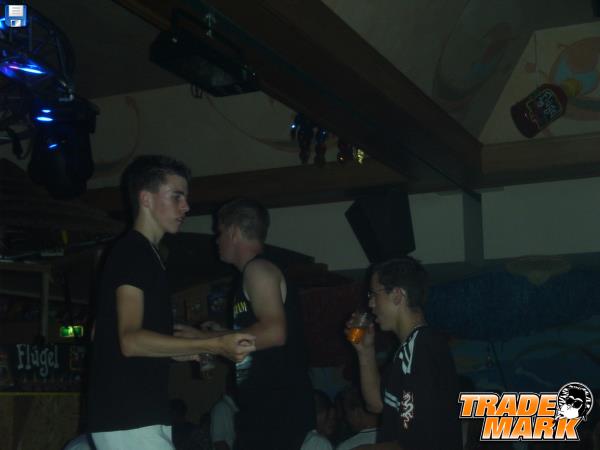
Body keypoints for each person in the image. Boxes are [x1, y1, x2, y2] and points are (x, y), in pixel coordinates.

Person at [86, 156, 255, 450]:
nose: (186, 206)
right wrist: (213, 344)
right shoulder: (134, 252)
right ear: (146, 199)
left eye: (185, 198)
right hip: (129, 417)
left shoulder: (144, 254)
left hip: (132, 417)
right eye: (177, 196)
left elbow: (102, 334)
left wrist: (183, 350)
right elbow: (130, 341)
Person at [177, 198, 315, 449]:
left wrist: (204, 339)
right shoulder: (249, 276)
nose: (216, 240)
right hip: (266, 410)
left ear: (233, 231)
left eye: (219, 232)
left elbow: (274, 333)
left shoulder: (258, 269)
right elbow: (257, 338)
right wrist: (222, 334)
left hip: (278, 410)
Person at [347, 257, 462, 450]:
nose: (371, 303)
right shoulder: (410, 349)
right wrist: (365, 351)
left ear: (397, 295)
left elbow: (415, 442)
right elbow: (377, 404)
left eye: (374, 294)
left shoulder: (421, 346)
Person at [336, 386, 378, 450]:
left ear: (357, 412)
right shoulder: (392, 438)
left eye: (347, 413)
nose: (347, 419)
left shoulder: (347, 446)